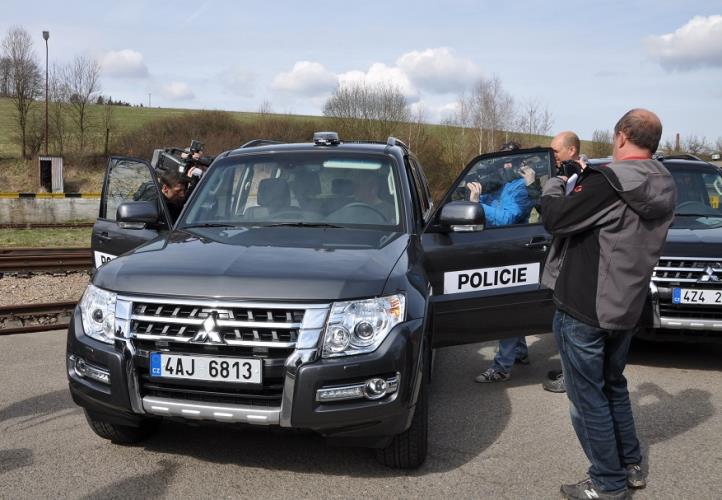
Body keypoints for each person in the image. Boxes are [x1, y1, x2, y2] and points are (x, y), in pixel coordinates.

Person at [540, 109, 676, 500]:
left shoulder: (609, 181)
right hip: (626, 305)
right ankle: (630, 463)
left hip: (585, 306)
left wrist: (557, 181)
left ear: (620, 136)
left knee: (587, 399)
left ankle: (607, 482)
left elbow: (556, 218)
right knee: (613, 386)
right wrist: (584, 181)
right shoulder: (664, 181)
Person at [471, 144, 536, 383]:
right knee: (513, 307)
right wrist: (478, 193)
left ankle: (501, 367)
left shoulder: (521, 187)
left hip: (514, 253)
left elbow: (507, 218)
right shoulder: (501, 184)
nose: (505, 165)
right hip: (500, 250)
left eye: (509, 161)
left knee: (506, 310)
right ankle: (519, 352)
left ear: (519, 164)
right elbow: (490, 204)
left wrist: (477, 203)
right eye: (503, 161)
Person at [543, 131, 584, 394]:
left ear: (571, 150)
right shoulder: (567, 175)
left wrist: (555, 184)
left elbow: (557, 218)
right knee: (562, 325)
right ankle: (569, 374)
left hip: (576, 263)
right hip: (566, 259)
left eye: (556, 151)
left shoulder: (586, 180)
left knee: (569, 328)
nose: (553, 156)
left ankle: (572, 380)